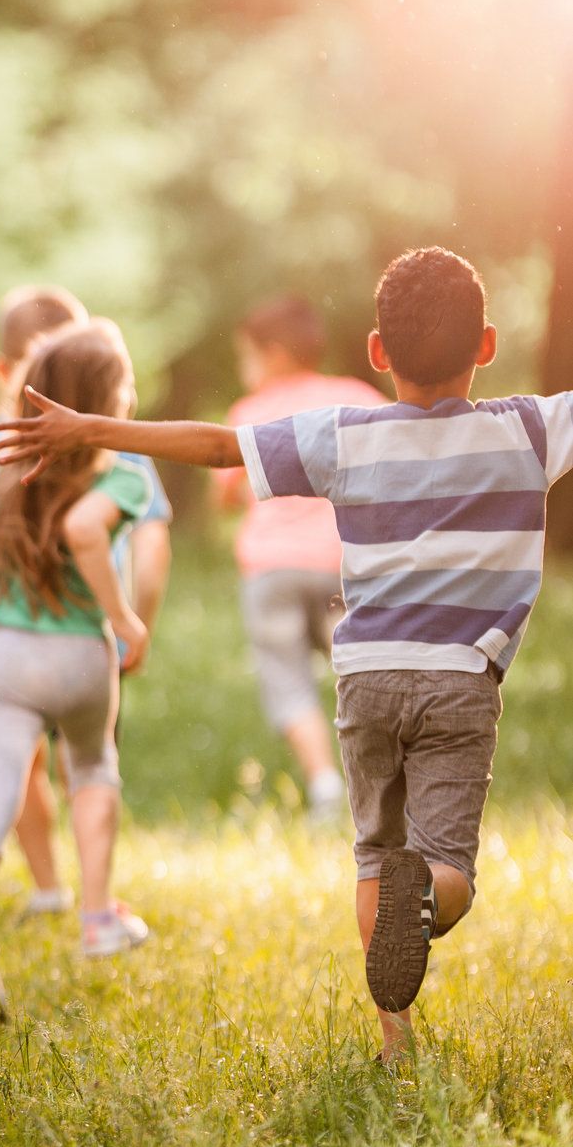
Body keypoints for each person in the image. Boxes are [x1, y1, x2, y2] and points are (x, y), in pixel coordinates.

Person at [0, 247, 560, 1062]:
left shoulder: (343, 436)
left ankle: (394, 1042)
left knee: (374, 853)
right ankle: (424, 899)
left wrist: (93, 428)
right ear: (487, 345)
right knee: (445, 873)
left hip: (363, 677)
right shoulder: (530, 427)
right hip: (459, 680)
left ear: (375, 352)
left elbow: (218, 446)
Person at [0, 321, 154, 1010]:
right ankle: (96, 917)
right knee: (90, 771)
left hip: (3, 656)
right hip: (82, 655)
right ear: (107, 400)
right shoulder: (123, 469)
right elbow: (85, 530)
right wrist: (122, 617)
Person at [215, 295, 385, 818]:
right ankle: (380, 780)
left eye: (247, 356)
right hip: (343, 565)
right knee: (357, 672)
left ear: (275, 354)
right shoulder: (355, 398)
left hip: (273, 572)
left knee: (287, 677)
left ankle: (324, 786)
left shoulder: (249, 414)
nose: (244, 369)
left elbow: (223, 495)